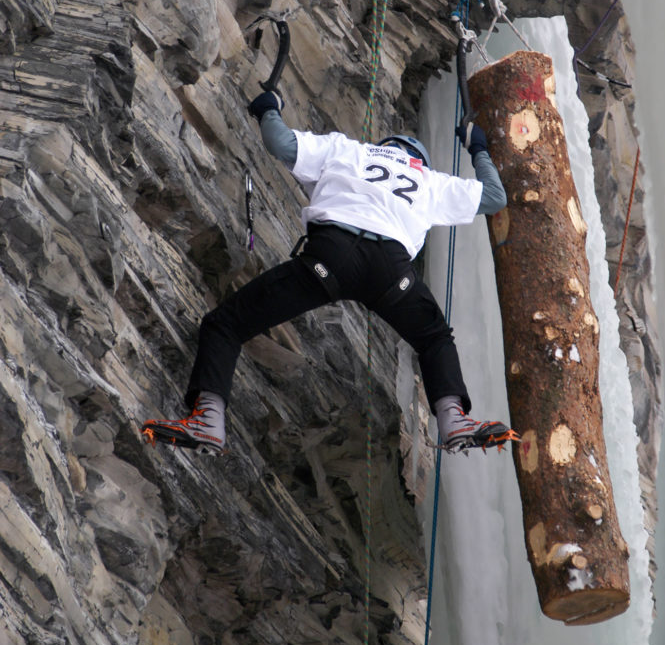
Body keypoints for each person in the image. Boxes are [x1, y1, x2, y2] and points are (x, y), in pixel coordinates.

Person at [142, 89, 518, 456]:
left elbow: (281, 144)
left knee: (226, 325)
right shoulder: (430, 181)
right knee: (434, 337)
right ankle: (454, 420)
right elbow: (495, 197)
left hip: (330, 259)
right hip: (391, 273)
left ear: (383, 145)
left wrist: (268, 107)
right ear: (418, 159)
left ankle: (208, 418)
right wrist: (478, 147)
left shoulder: (348, 150)